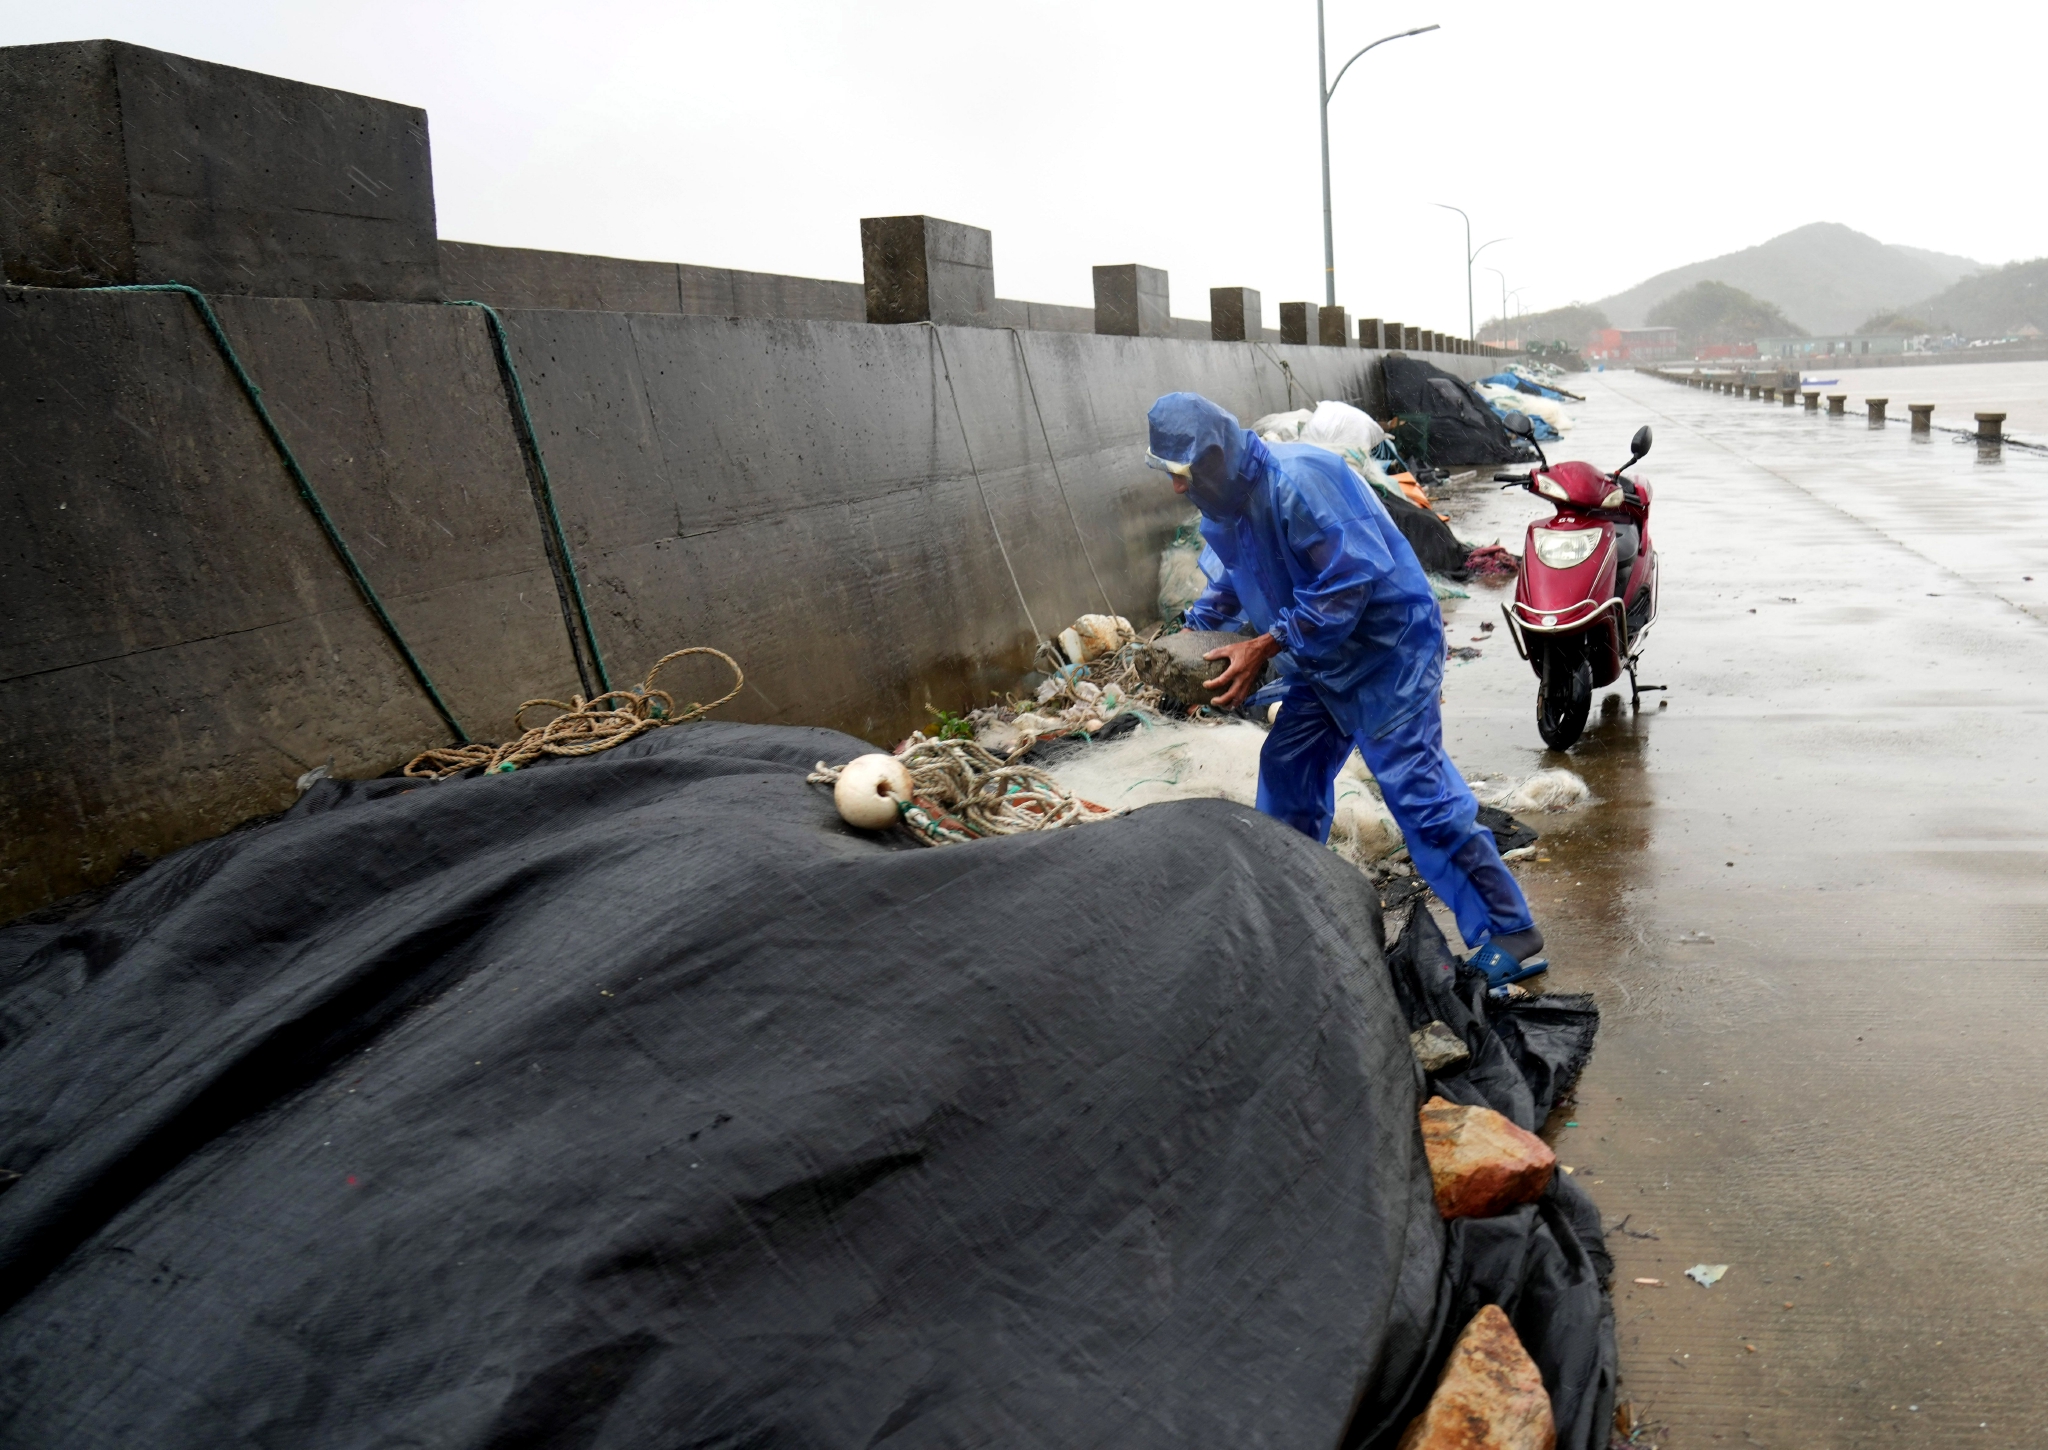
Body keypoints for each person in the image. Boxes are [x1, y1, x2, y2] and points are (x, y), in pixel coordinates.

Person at [1146, 391, 1546, 991]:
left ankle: (1511, 932)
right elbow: (1230, 581)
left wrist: (1265, 645)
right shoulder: (1223, 504)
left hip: (1388, 653)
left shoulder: (1303, 480)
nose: (1179, 487)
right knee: (1287, 773)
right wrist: (1189, 642)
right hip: (1319, 656)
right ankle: (1294, 911)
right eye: (1169, 474)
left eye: (1184, 472)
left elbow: (1348, 582)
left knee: (1418, 794)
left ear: (1216, 453)